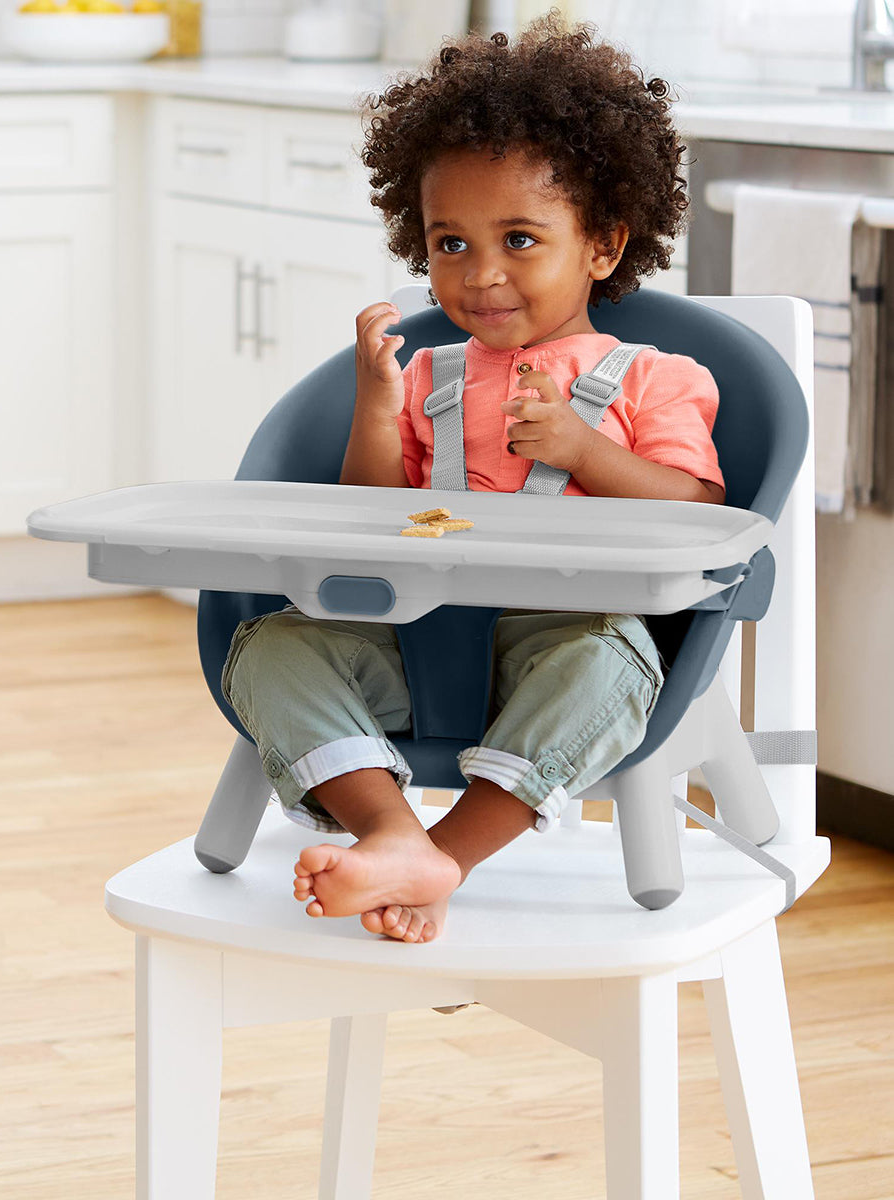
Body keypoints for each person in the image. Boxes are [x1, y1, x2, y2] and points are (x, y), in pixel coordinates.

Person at [220, 9, 725, 944]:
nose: (481, 275)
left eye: (521, 240)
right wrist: (377, 406)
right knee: (270, 647)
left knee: (610, 668)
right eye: (451, 244)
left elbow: (699, 514)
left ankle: (446, 853)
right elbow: (374, 518)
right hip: (412, 639)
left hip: (562, 637)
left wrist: (583, 450)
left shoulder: (657, 377)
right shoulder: (430, 377)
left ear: (604, 246)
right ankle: (388, 831)